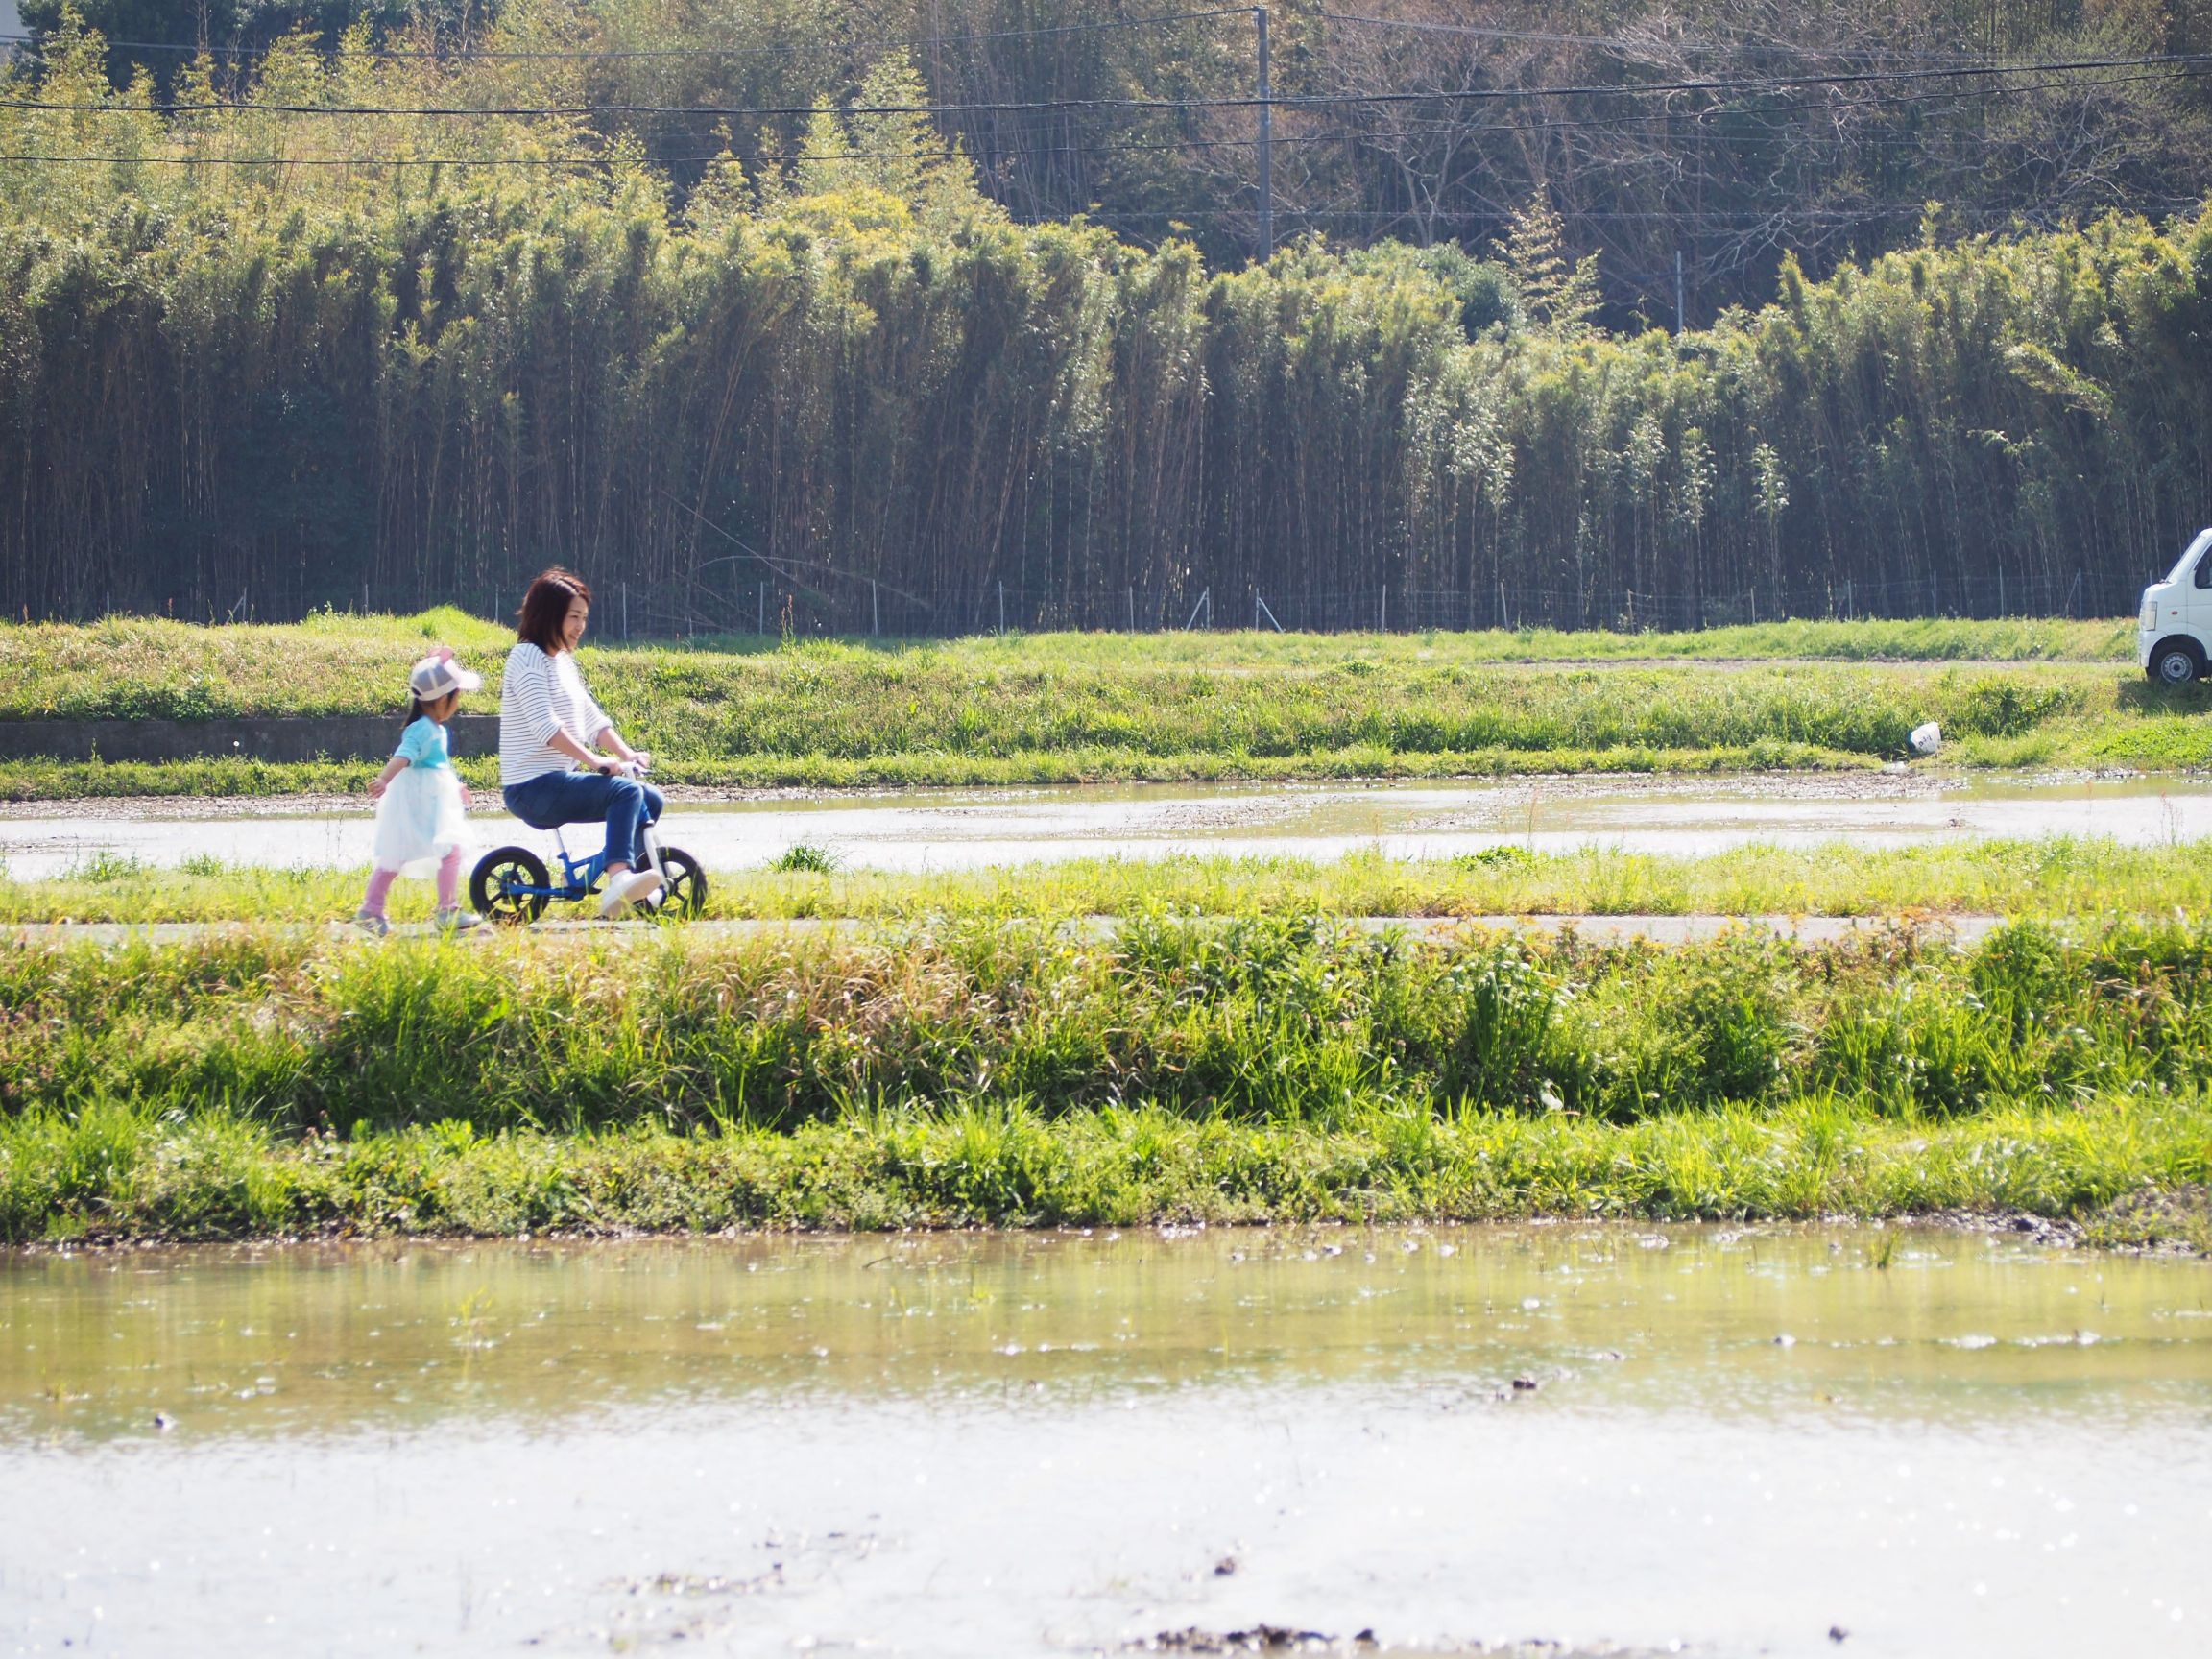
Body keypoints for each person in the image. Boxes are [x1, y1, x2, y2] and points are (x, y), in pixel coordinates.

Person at [498, 568, 665, 918]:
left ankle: (633, 880)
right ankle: (618, 877)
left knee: (649, 797)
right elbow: (546, 726)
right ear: (549, 614)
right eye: (574, 617)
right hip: (532, 788)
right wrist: (595, 762)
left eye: (584, 618)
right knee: (625, 792)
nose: (580, 626)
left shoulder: (562, 663)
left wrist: (625, 753)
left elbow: (591, 718)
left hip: (557, 783)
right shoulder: (527, 658)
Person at [356, 649, 483, 935]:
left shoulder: (434, 729)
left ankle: (371, 908)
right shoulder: (422, 730)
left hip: (430, 801)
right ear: (441, 699)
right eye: (456, 696)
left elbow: (438, 764)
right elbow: (403, 755)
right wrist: (384, 779)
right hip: (422, 804)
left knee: (401, 854)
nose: (458, 702)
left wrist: (456, 785)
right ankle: (446, 910)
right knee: (449, 851)